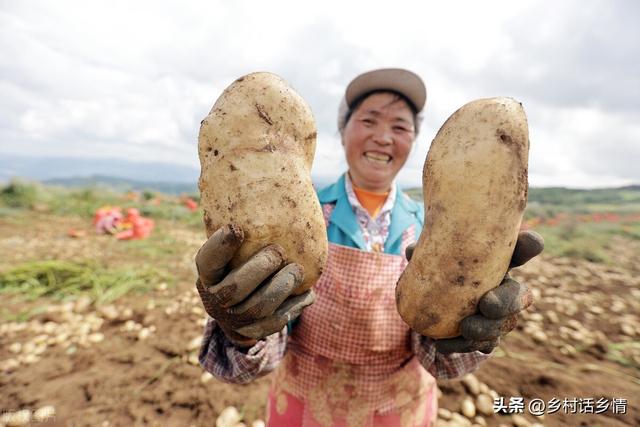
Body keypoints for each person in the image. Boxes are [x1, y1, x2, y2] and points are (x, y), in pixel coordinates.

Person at [196, 68, 543, 427]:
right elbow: (250, 364)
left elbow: (442, 364)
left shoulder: (435, 228)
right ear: (342, 131)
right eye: (369, 121)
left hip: (399, 413)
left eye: (400, 127)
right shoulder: (295, 218)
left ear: (417, 144)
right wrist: (238, 330)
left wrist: (465, 333)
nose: (383, 138)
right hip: (305, 410)